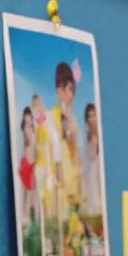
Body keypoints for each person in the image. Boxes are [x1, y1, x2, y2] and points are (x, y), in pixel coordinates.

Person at [51, 61, 81, 203]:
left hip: (72, 184)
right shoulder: (51, 116)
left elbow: (74, 152)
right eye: (67, 89)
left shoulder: (72, 120)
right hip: (58, 185)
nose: (71, 95)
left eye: (72, 90)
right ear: (58, 90)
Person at [18, 106, 40, 226]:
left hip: (32, 168)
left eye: (30, 124)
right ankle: (26, 217)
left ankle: (33, 216)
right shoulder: (24, 138)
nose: (28, 128)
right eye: (26, 124)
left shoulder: (34, 139)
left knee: (32, 195)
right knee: (25, 194)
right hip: (26, 167)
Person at [82, 102, 102, 220]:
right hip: (91, 179)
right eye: (89, 116)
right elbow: (90, 157)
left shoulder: (101, 135)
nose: (92, 119)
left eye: (94, 115)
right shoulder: (88, 137)